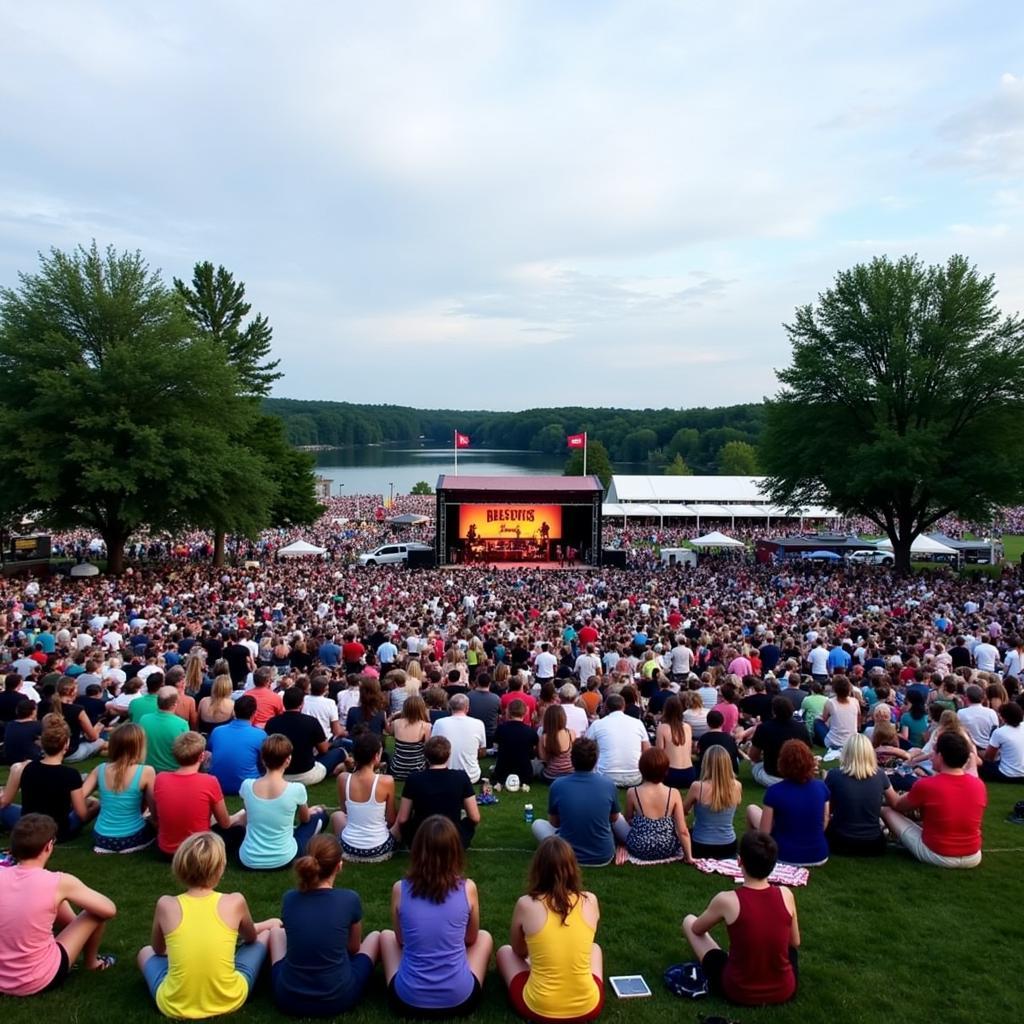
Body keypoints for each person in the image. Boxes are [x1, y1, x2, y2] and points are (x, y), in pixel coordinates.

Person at [138, 831, 278, 1019]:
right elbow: (251, 937)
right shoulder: (235, 901)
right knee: (265, 934)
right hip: (230, 997)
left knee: (145, 952)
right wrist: (267, 923)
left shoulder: (166, 904)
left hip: (174, 1005)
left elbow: (157, 948)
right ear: (220, 868)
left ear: (180, 866)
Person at [381, 815, 493, 1018]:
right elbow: (471, 939)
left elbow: (401, 940)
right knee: (484, 937)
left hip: (408, 1000)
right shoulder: (468, 889)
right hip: (459, 999)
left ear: (417, 851)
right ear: (455, 852)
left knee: (386, 937)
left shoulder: (400, 888)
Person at [0, 814, 118, 995]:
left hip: (2, 978)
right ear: (48, 846)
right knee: (96, 912)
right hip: (38, 978)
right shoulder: (58, 882)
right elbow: (109, 909)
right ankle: (92, 963)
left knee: (51, 900)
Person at [268, 834, 381, 1017]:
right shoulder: (349, 899)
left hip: (289, 997)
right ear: (339, 866)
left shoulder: (290, 898)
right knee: (375, 936)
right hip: (339, 997)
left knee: (275, 932)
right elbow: (354, 948)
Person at [682, 830, 799, 1006]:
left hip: (739, 991)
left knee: (689, 921)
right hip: (784, 990)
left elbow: (697, 929)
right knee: (790, 950)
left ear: (739, 861)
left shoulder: (727, 900)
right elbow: (794, 942)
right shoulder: (786, 894)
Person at [497, 837, 605, 1023]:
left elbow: (518, 951)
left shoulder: (526, 904)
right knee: (594, 949)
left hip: (539, 1008)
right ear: (573, 867)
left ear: (538, 869)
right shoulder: (590, 900)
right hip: (588, 1006)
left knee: (504, 952)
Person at [881, 731, 988, 868]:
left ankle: (890, 837)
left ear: (941, 756)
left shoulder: (928, 785)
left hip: (938, 854)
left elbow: (896, 804)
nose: (931, 757)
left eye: (934, 752)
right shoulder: (978, 784)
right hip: (973, 855)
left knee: (886, 810)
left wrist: (883, 779)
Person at [0, 714, 98, 840]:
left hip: (29, 827)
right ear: (66, 744)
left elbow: (5, 802)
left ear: (42, 743)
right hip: (59, 832)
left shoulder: (25, 768)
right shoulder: (70, 775)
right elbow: (82, 815)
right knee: (94, 804)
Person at [239, 733, 329, 870]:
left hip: (249, 857)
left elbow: (248, 814)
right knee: (321, 815)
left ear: (263, 759)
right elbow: (305, 820)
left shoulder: (247, 785)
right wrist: (309, 811)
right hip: (284, 857)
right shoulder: (296, 789)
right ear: (288, 760)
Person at [532, 738, 628, 866]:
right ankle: (630, 840)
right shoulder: (608, 784)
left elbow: (554, 823)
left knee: (537, 824)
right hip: (602, 854)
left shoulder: (558, 785)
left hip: (566, 854)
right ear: (596, 759)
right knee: (617, 817)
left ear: (572, 759)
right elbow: (614, 818)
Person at [153, 731, 244, 857]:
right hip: (198, 852)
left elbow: (157, 817)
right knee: (239, 831)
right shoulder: (209, 781)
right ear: (202, 756)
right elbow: (225, 823)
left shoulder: (160, 778)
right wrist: (240, 815)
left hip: (165, 851)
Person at [747, 740, 829, 867]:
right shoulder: (821, 787)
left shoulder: (774, 791)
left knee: (751, 809)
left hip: (784, 856)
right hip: (818, 854)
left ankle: (752, 852)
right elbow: (825, 820)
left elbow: (764, 833)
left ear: (782, 763)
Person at [82, 722, 157, 853]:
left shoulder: (100, 769)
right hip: (132, 837)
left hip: (101, 837)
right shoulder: (147, 771)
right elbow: (154, 810)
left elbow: (80, 795)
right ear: (139, 746)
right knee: (151, 821)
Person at [396, 736, 480, 849]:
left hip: (422, 839)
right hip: (451, 839)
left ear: (426, 755)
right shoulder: (461, 777)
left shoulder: (414, 778)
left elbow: (402, 818)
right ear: (449, 755)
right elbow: (475, 817)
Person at [824, 734, 900, 856]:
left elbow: (827, 809)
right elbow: (896, 802)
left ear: (846, 752)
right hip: (873, 844)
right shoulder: (880, 775)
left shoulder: (834, 775)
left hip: (840, 842)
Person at [618, 747, 693, 865]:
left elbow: (628, 819)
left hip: (640, 847)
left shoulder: (633, 792)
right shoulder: (673, 793)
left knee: (617, 819)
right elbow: (682, 830)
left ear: (642, 768)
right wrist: (689, 857)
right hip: (667, 847)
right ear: (665, 769)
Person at [331, 733, 397, 862]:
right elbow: (391, 819)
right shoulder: (387, 781)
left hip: (349, 847)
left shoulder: (343, 778)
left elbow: (345, 811)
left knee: (337, 815)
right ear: (376, 756)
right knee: (400, 821)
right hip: (379, 847)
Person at [266, 686, 345, 785]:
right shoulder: (311, 722)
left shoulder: (272, 723)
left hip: (279, 773)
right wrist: (331, 744)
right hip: (305, 774)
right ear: (302, 704)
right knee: (340, 752)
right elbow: (323, 749)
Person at [684, 746, 743, 858]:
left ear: (706, 764)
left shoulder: (698, 787)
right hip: (729, 846)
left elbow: (681, 812)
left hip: (701, 846)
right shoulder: (737, 786)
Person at [586, 693, 649, 787]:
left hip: (605, 775)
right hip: (634, 776)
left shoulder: (598, 724)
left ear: (606, 707)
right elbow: (647, 750)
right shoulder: (637, 723)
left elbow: (584, 746)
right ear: (623, 707)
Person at [208, 695, 265, 796]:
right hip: (247, 785)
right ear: (254, 713)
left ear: (234, 712)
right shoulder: (260, 735)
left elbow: (211, 751)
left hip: (218, 783)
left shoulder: (217, 731)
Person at [749, 697, 812, 787]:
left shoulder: (764, 728)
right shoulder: (801, 727)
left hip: (773, 777)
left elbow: (753, 756)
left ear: (773, 711)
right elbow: (808, 752)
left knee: (754, 765)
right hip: (798, 775)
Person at [433, 693, 487, 784]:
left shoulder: (439, 723)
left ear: (450, 707)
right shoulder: (479, 723)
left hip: (446, 775)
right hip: (470, 776)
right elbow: (482, 752)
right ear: (467, 708)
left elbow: (433, 749)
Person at [53, 676, 106, 763]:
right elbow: (93, 737)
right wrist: (98, 729)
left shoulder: (45, 705)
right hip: (70, 753)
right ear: (72, 691)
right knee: (101, 742)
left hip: (50, 751)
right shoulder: (77, 710)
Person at [140, 687, 190, 773]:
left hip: (147, 769)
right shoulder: (182, 724)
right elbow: (186, 752)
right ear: (175, 704)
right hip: (171, 771)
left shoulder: (143, 719)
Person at [388, 694, 432, 780]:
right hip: (417, 772)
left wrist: (392, 717)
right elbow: (428, 749)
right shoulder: (426, 726)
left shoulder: (396, 723)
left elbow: (387, 731)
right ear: (421, 709)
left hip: (397, 770)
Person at [493, 699, 538, 784]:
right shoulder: (530, 732)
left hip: (502, 773)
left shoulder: (501, 729)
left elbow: (496, 747)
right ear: (525, 713)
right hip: (524, 775)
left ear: (508, 712)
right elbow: (533, 754)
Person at [656, 694, 695, 788]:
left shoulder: (662, 728)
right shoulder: (687, 727)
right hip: (689, 774)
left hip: (671, 775)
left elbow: (659, 754)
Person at [980, 700, 1024, 782]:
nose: (999, 716)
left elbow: (989, 757)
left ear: (1004, 717)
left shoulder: (1000, 732)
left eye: (1000, 715)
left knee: (983, 765)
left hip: (1008, 775)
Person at [815, 675, 860, 749]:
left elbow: (823, 719)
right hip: (852, 741)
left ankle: (816, 741)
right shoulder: (855, 702)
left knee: (817, 721)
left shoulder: (830, 702)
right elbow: (858, 721)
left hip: (834, 742)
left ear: (834, 689)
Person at [537, 703, 574, 781]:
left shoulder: (543, 737)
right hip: (570, 773)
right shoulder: (571, 733)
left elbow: (543, 758)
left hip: (551, 776)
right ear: (563, 718)